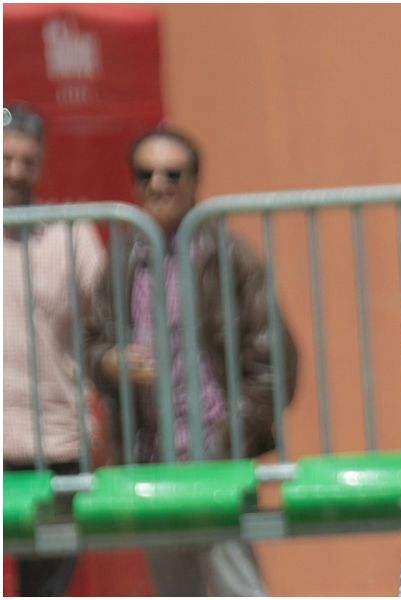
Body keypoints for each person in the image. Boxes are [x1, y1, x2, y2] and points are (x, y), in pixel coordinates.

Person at [84, 128, 298, 596]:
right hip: (150, 457)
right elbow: (92, 343)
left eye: (172, 174)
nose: (158, 184)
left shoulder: (226, 255)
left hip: (214, 453)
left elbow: (275, 358)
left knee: (236, 583)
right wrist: (111, 362)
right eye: (146, 174)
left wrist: (233, 429)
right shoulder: (121, 260)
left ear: (194, 181)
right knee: (174, 586)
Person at [3, 104, 107, 595]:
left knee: (46, 591)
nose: (15, 171)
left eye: (28, 160)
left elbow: (108, 327)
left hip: (57, 443)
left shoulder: (73, 233)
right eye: (6, 158)